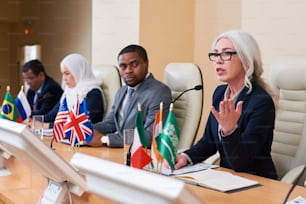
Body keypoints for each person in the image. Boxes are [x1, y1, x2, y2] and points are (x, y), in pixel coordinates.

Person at [170, 29, 278, 179]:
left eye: (226, 54)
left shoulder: (261, 102)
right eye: (215, 54)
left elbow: (241, 163)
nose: (218, 60)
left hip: (257, 181)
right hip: (227, 178)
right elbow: (209, 141)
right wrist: (186, 157)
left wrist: (230, 131)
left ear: (246, 61)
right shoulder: (220, 93)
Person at [88, 44, 172, 148]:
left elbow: (149, 135)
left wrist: (105, 139)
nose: (128, 70)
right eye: (123, 66)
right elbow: (110, 124)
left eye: (134, 64)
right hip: (122, 151)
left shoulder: (159, 92)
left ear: (146, 63)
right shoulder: (121, 91)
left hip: (143, 156)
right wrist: (84, 129)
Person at [44, 53, 105, 125]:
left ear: (78, 72)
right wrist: (33, 120)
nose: (64, 78)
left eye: (67, 73)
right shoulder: (68, 92)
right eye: (62, 74)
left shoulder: (94, 93)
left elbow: (83, 123)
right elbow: (53, 114)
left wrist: (48, 125)